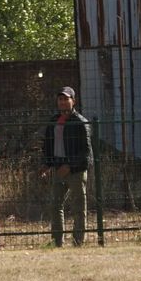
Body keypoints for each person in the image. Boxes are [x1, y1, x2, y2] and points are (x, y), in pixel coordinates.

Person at [39, 86, 93, 247]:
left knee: (79, 206)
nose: (63, 102)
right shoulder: (54, 121)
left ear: (73, 101)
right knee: (55, 205)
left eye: (66, 99)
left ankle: (78, 241)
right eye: (60, 99)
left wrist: (69, 165)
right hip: (57, 169)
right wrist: (47, 164)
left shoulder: (81, 122)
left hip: (75, 170)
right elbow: (48, 145)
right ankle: (57, 241)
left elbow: (86, 152)